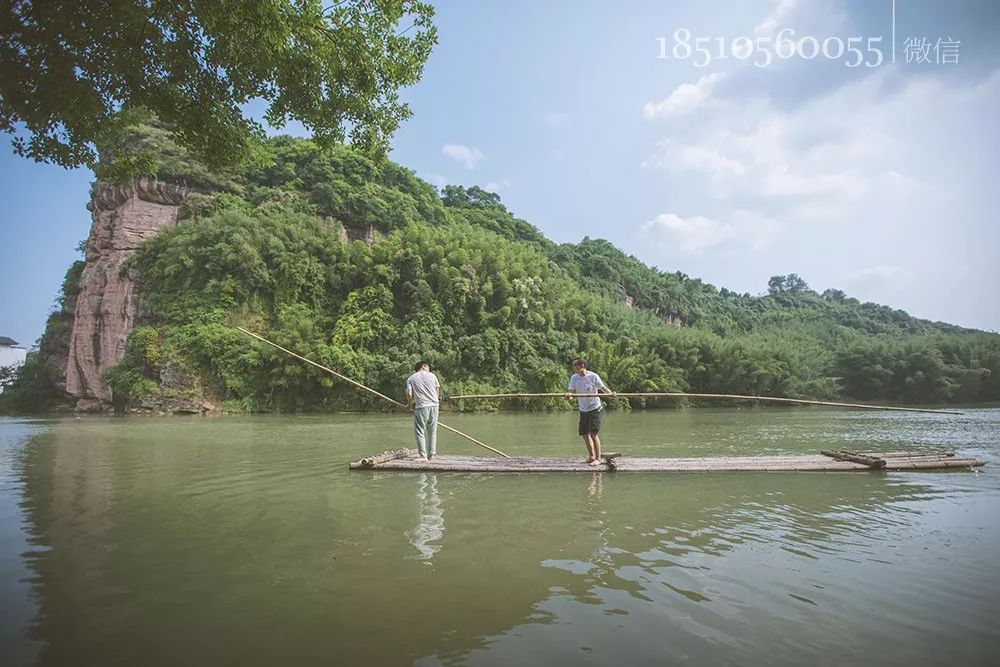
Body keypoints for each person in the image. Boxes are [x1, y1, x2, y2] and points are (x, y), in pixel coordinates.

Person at [564, 359, 615, 466]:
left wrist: (611, 394)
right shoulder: (574, 378)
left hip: (595, 408)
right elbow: (571, 391)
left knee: (593, 434)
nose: (573, 368)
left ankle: (598, 458)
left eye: (575, 366)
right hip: (583, 409)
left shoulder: (593, 376)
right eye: (573, 366)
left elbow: (602, 388)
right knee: (584, 434)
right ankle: (591, 456)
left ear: (582, 366)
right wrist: (568, 395)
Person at [406, 360, 440, 462]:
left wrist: (409, 405)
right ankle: (432, 454)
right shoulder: (433, 376)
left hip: (422, 406)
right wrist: (436, 401)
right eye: (428, 367)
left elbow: (409, 393)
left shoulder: (411, 378)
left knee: (420, 431)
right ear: (424, 366)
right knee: (432, 431)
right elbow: (437, 389)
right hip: (434, 405)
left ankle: (423, 456)